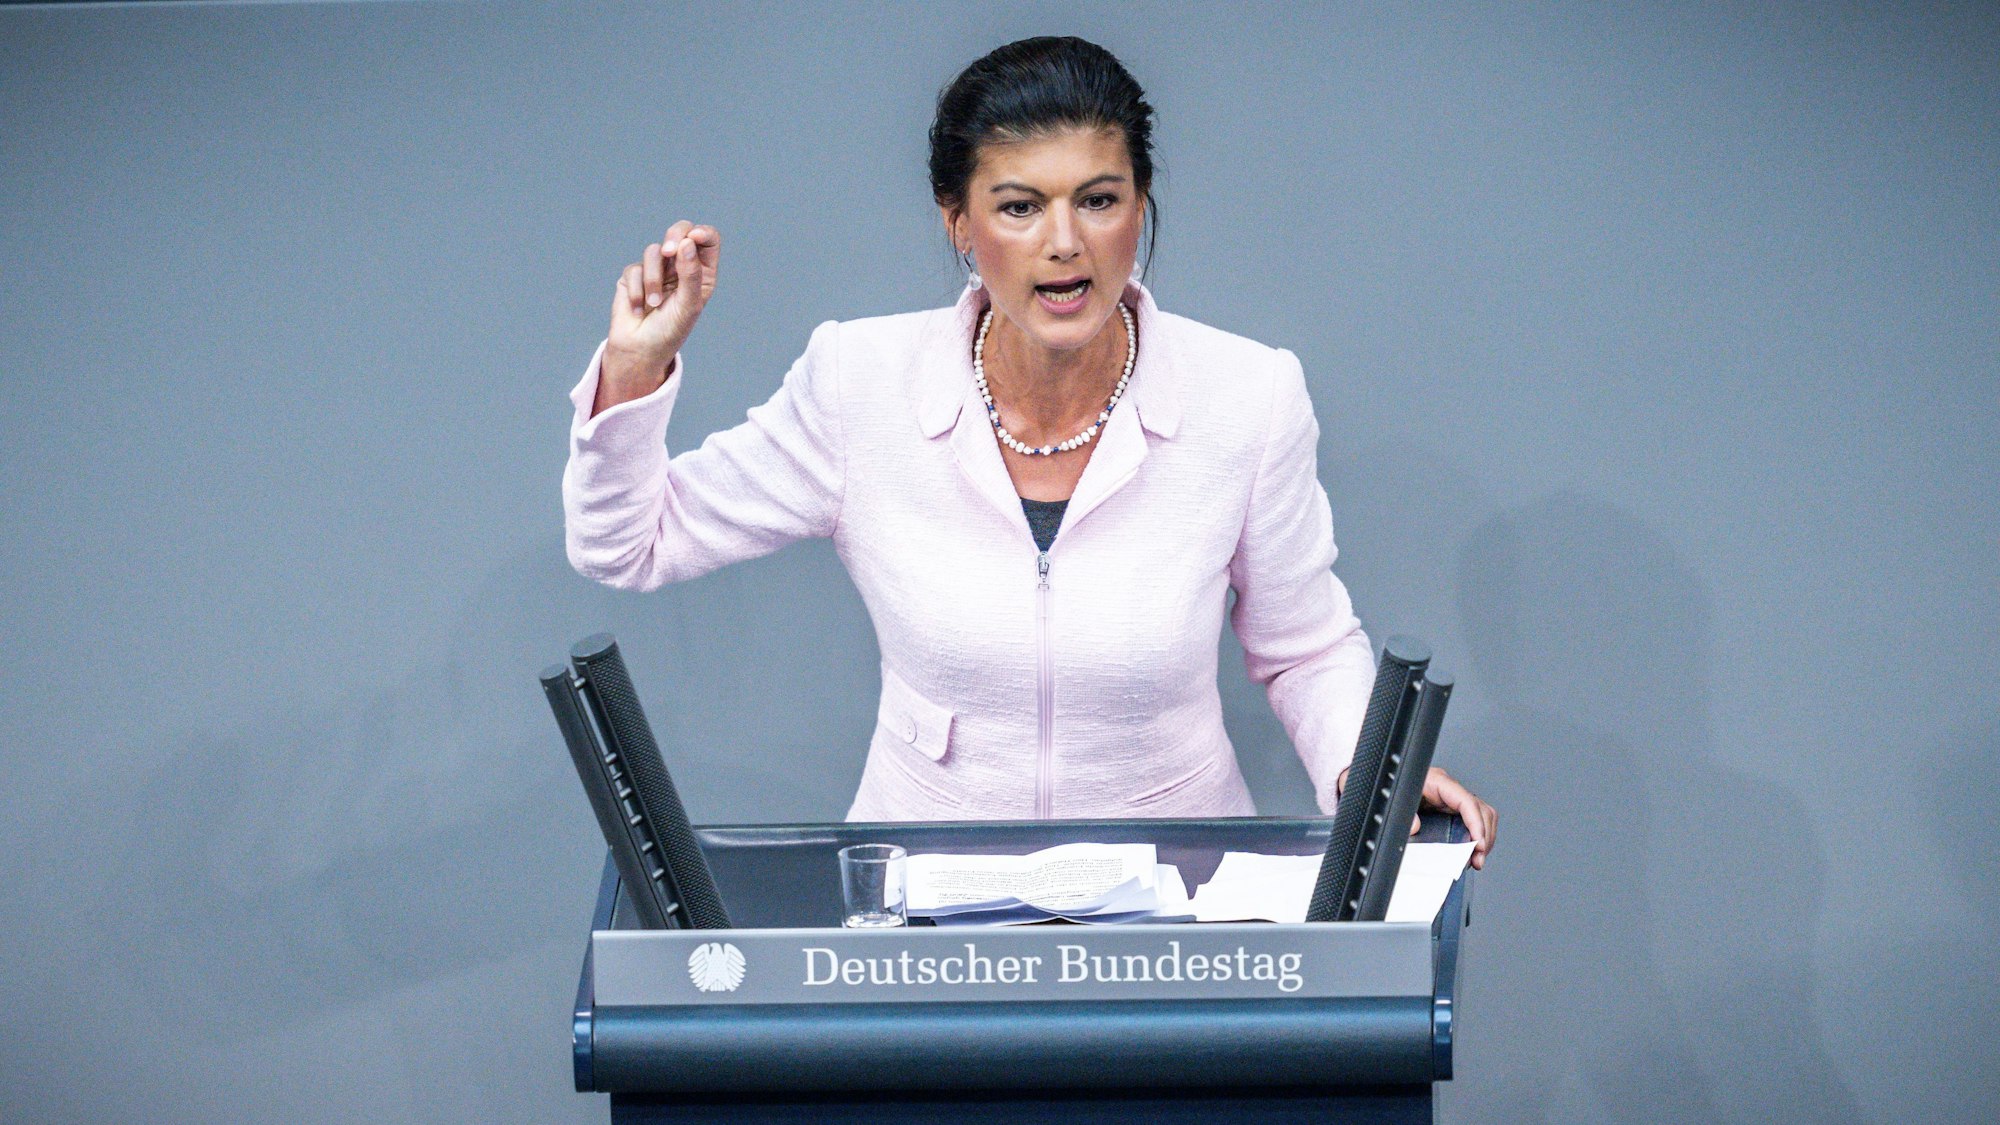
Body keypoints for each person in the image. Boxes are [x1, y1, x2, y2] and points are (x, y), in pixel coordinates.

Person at [563, 36, 1497, 868]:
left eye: (1099, 199)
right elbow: (627, 542)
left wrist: (1371, 774)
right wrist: (635, 371)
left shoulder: (1248, 397)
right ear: (957, 223)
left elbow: (1304, 648)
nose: (1065, 243)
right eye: (1018, 207)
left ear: (1140, 207)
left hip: (1175, 893)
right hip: (924, 889)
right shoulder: (859, 384)